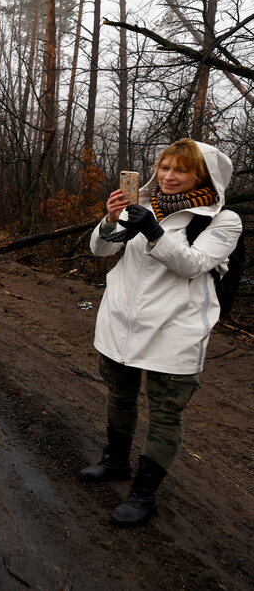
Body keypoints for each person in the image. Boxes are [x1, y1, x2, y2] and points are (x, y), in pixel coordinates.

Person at [82, 138, 242, 527]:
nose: (169, 177)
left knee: (165, 413)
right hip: (121, 320)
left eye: (181, 170)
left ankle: (144, 494)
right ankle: (115, 462)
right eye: (165, 167)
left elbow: (193, 264)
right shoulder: (142, 205)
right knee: (120, 396)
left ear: (201, 176)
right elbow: (101, 251)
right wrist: (108, 220)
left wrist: (154, 231)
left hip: (175, 329)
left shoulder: (222, 220)